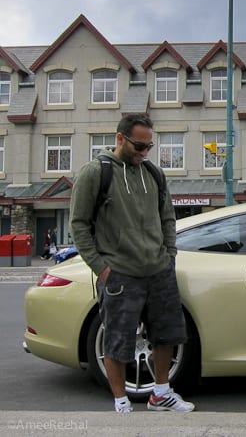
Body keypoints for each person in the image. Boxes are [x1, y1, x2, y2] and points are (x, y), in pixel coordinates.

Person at [70, 113, 194, 414]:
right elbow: (79, 225)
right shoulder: (95, 173)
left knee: (167, 334)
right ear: (120, 138)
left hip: (158, 270)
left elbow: (167, 217)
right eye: (139, 146)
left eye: (149, 146)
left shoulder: (153, 173)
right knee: (117, 340)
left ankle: (161, 394)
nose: (144, 152)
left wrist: (170, 255)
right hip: (120, 274)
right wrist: (102, 269)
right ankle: (121, 402)